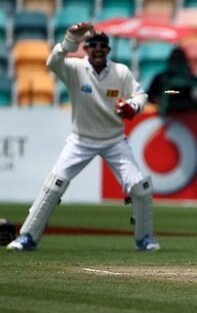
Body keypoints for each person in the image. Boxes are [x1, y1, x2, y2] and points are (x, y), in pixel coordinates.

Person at [6, 23, 161, 252]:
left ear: (108, 51)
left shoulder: (121, 72)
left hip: (114, 139)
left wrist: (131, 107)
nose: (98, 50)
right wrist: (69, 41)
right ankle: (27, 237)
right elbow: (53, 63)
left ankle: (145, 238)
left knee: (139, 186)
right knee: (54, 184)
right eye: (93, 46)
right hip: (81, 139)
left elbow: (140, 95)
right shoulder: (75, 69)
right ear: (86, 49)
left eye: (102, 47)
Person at [147, 47, 197, 116]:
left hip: (189, 117)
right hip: (166, 116)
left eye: (180, 60)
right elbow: (150, 96)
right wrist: (161, 99)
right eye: (175, 60)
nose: (178, 63)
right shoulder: (161, 78)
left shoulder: (193, 81)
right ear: (170, 61)